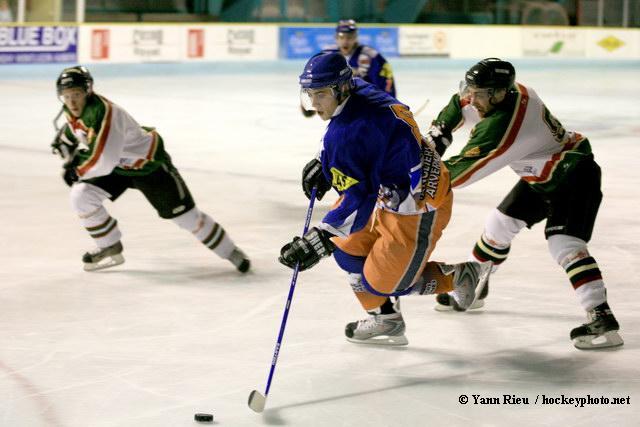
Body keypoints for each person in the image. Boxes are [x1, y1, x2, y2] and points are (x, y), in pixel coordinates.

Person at [279, 51, 490, 346]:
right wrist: (322, 159)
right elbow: (357, 142)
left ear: (341, 88)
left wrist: (319, 240)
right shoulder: (360, 89)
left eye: (322, 95)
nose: (314, 104)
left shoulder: (347, 137)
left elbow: (358, 201)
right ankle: (386, 319)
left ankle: (457, 277)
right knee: (347, 249)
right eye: (310, 94)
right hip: (392, 188)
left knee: (385, 282)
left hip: (418, 205)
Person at [425, 58, 623, 350]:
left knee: (564, 244)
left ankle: (602, 317)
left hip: (574, 175)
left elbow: (461, 173)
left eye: (479, 94)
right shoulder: (498, 95)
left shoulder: (505, 127)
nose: (472, 98)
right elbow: (458, 103)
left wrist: (418, 175)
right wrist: (435, 138)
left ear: (498, 94)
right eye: (472, 89)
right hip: (542, 175)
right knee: (498, 225)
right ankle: (476, 287)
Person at [52, 65, 250, 273]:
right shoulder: (73, 110)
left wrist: (77, 171)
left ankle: (231, 252)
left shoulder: (106, 113)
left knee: (187, 218)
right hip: (118, 167)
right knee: (80, 196)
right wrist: (65, 140)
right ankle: (109, 245)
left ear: (88, 92)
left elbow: (104, 159)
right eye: (66, 96)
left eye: (76, 94)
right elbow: (79, 130)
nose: (72, 102)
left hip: (147, 165)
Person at [300, 19, 396, 117]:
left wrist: (391, 108)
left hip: (368, 109)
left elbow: (387, 81)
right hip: (341, 110)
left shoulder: (372, 57)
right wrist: (307, 102)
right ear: (336, 37)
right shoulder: (326, 56)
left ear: (356, 38)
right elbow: (312, 79)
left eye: (350, 37)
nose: (345, 41)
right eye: (342, 37)